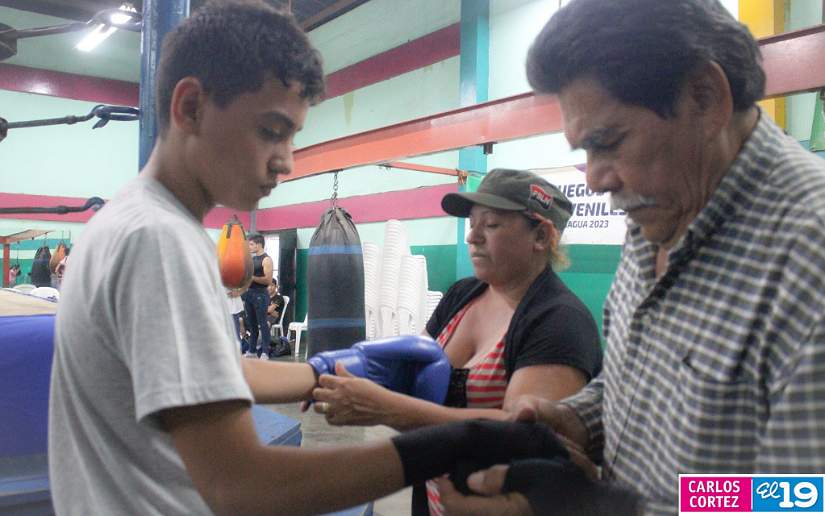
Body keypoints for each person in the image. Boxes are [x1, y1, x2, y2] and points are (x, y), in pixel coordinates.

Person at [48, 2, 563, 515]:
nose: (287, 161)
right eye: (272, 131)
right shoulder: (163, 243)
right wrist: (452, 442)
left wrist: (329, 369)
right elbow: (241, 486)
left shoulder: (125, 219)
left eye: (293, 136)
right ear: (191, 107)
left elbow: (220, 373)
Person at [439, 0, 825, 514]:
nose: (597, 179)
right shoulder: (655, 215)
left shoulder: (809, 258)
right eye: (584, 150)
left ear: (705, 98)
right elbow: (645, 383)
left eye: (609, 142)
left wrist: (607, 509)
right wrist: (578, 418)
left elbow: (802, 498)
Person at [311, 168, 603, 515]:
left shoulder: (560, 322)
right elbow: (408, 369)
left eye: (491, 224)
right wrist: (325, 372)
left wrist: (389, 409)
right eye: (472, 223)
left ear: (541, 236)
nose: (472, 237)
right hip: (434, 498)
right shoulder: (463, 294)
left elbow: (522, 442)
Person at [242, 233, 273, 359]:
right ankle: (252, 350)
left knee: (262, 324)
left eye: (251, 244)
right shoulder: (253, 259)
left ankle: (265, 352)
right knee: (252, 324)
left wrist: (252, 278)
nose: (249, 247)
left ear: (258, 245)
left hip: (260, 294)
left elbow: (268, 280)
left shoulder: (266, 260)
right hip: (249, 294)